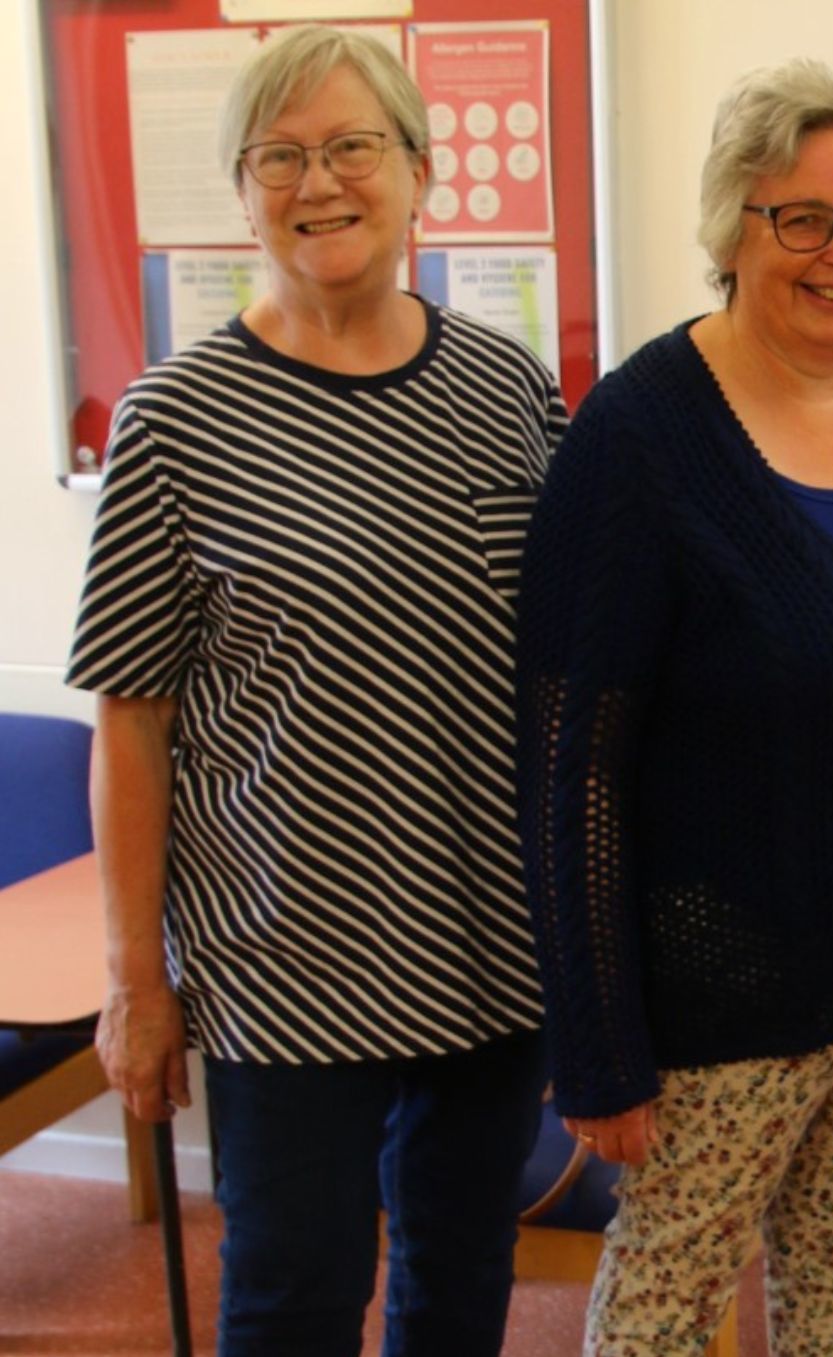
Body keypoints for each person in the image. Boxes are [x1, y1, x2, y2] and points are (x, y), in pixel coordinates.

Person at [67, 25, 566, 1356]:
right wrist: (134, 980)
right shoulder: (174, 419)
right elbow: (132, 714)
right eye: (278, 156)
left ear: (420, 171)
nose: (318, 180)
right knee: (293, 1292)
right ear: (242, 191)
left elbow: (575, 648)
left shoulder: (505, 385)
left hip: (487, 939)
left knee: (460, 1279)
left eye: (352, 145)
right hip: (281, 958)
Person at [512, 57, 833, 1356]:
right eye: (805, 218)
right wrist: (599, 1040)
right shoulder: (636, 439)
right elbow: (573, 762)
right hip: (731, 986)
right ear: (734, 226)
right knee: (668, 1304)